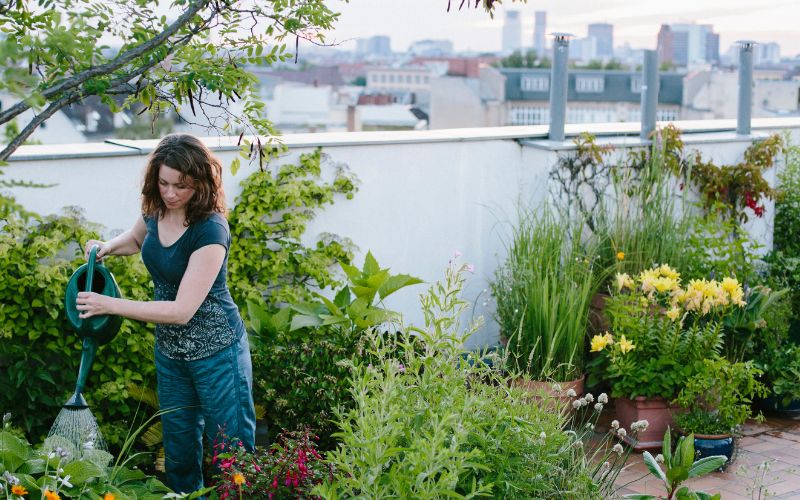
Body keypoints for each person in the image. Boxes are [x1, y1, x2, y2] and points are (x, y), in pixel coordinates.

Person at [76, 134, 256, 493]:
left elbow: (181, 311)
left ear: (201, 183)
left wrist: (109, 305)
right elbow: (137, 239)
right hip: (172, 355)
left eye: (181, 186)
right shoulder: (155, 209)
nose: (171, 193)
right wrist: (107, 247)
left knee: (232, 454)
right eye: (163, 183)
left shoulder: (210, 230)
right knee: (178, 454)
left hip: (218, 354)